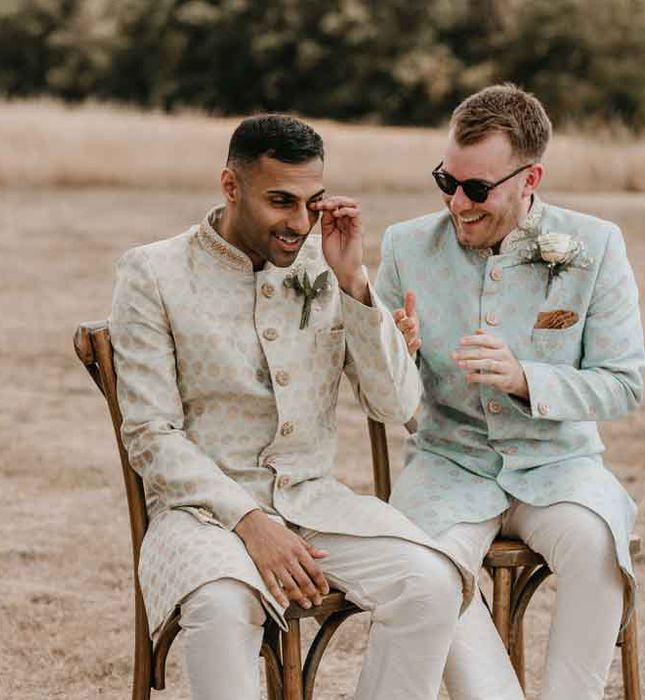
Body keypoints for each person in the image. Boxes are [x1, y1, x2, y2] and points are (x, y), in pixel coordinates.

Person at [109, 114, 471, 700]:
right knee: (225, 605)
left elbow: (397, 405)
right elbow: (151, 433)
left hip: (314, 503)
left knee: (430, 584)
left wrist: (353, 280)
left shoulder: (325, 265)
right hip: (200, 514)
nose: (300, 223)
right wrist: (249, 522)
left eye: (313, 202)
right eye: (281, 201)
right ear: (231, 186)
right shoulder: (153, 271)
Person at [375, 84, 645, 700]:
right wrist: (396, 353)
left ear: (531, 178)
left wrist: (529, 380)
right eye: (447, 182)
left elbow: (623, 385)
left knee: (598, 545)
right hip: (448, 463)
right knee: (424, 570)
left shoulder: (596, 246)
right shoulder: (404, 247)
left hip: (560, 464)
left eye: (477, 190)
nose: (458, 205)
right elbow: (391, 401)